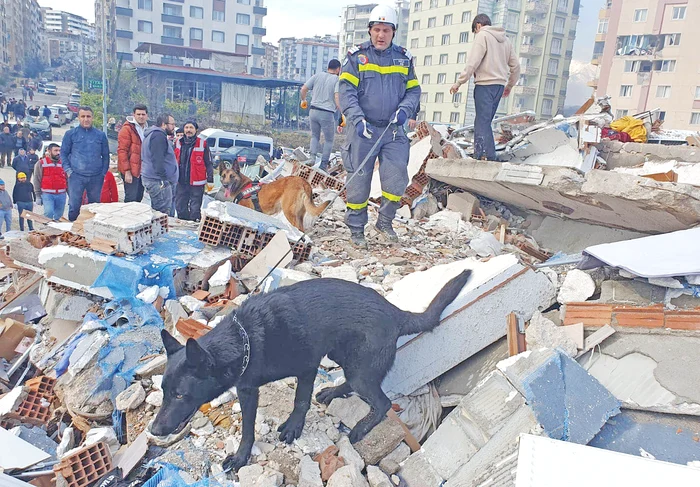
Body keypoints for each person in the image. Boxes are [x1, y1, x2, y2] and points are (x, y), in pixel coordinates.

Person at [338, 4, 420, 248]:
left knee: (396, 179)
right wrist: (356, 117)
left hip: (393, 131)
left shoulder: (403, 59)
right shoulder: (357, 58)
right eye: (377, 29)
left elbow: (413, 90)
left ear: (393, 32)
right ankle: (356, 228)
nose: (381, 35)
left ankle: (385, 221)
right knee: (358, 180)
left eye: (386, 30)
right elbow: (346, 92)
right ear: (370, 30)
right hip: (364, 129)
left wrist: (405, 110)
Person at [450, 13, 519, 161]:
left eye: (475, 30)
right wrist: (509, 85)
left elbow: (472, 62)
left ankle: (487, 156)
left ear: (478, 26)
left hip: (485, 85)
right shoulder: (506, 40)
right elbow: (516, 66)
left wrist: (459, 82)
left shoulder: (482, 35)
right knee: (484, 121)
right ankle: (481, 154)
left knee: (482, 122)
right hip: (499, 86)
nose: (476, 33)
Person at [61, 106, 110, 221]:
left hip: (96, 177)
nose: (86, 119)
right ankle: (73, 231)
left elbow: (106, 156)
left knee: (94, 207)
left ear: (92, 118)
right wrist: (68, 170)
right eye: (83, 116)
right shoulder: (70, 134)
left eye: (88, 116)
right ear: (78, 118)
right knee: (74, 206)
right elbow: (63, 154)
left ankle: (92, 231)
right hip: (76, 176)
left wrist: (103, 173)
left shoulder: (100, 135)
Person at [301, 59, 342, 171]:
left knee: (315, 136)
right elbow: (337, 96)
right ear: (338, 69)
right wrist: (341, 110)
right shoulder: (337, 79)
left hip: (313, 111)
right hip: (327, 113)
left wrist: (303, 100)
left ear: (328, 67)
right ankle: (323, 165)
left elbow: (304, 88)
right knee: (329, 140)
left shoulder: (317, 75)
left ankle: (312, 158)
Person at [174, 120, 213, 221]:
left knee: (195, 209)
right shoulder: (178, 142)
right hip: (181, 181)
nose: (188, 130)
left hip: (197, 182)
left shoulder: (202, 143)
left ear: (196, 130)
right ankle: (184, 226)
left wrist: (210, 179)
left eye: (191, 128)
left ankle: (193, 227)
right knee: (180, 207)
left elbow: (208, 162)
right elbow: (173, 160)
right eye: (186, 128)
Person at [141, 113, 178, 216]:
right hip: (157, 180)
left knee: (163, 212)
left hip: (156, 179)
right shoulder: (158, 136)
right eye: (172, 124)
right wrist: (164, 179)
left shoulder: (155, 135)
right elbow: (157, 159)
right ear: (163, 124)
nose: (174, 127)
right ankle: (162, 232)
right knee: (162, 214)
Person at [117, 104, 149, 203]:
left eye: (143, 114)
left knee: (139, 197)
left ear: (147, 115)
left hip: (142, 170)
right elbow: (122, 151)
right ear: (133, 115)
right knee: (131, 198)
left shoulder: (146, 129)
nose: (141, 116)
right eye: (138, 114)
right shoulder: (127, 129)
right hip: (131, 170)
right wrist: (127, 171)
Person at [32, 143, 67, 220]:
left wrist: (71, 195)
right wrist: (38, 196)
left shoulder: (64, 163)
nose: (58, 153)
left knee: (59, 216)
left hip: (61, 194)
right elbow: (36, 179)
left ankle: (56, 231)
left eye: (59, 151)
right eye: (55, 150)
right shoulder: (41, 163)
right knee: (48, 213)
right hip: (47, 194)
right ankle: (46, 230)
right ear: (49, 151)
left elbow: (68, 179)